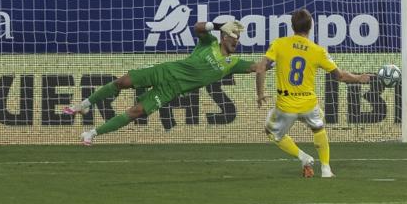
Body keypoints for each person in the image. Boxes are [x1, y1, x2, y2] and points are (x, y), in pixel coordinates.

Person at [64, 20, 265, 145]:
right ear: (223, 38)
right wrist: (220, 25)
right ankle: (83, 106)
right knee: (122, 82)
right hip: (165, 71)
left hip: (172, 90)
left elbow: (260, 67)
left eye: (238, 40)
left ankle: (91, 133)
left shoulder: (234, 63)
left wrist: (274, 63)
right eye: (232, 37)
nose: (236, 42)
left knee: (136, 112)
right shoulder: (210, 43)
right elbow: (198, 27)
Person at [255, 9, 371, 178]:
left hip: (286, 104)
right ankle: (326, 169)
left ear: (292, 26)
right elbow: (340, 76)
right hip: (309, 103)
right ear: (311, 27)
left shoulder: (279, 44)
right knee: (318, 129)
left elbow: (261, 68)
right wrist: (359, 78)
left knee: (271, 132)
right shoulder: (318, 51)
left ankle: (304, 157)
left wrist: (260, 93)